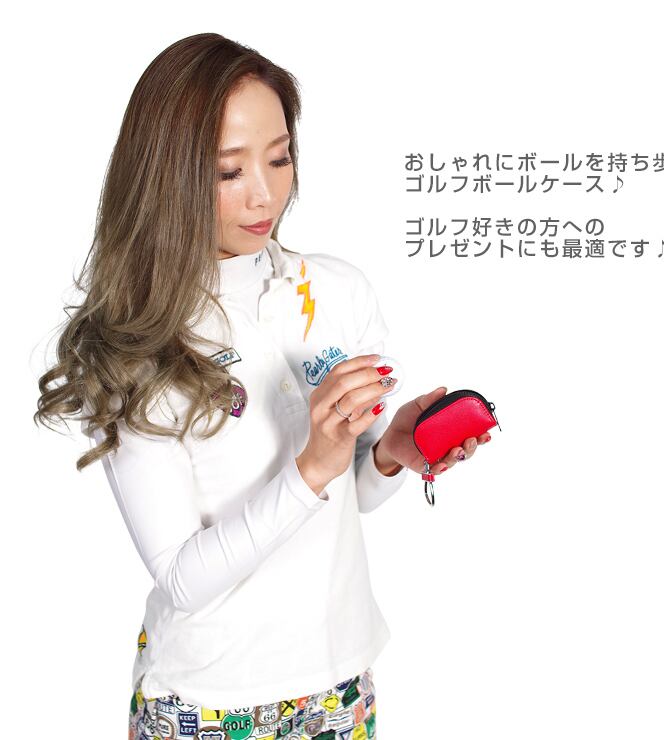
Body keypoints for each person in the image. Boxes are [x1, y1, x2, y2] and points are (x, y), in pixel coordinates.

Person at [33, 33, 491, 739]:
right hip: (208, 703)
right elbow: (180, 577)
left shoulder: (337, 292)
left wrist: (388, 454)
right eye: (228, 171)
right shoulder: (135, 342)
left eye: (279, 158)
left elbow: (351, 498)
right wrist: (310, 467)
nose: (265, 193)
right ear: (167, 174)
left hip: (340, 682)